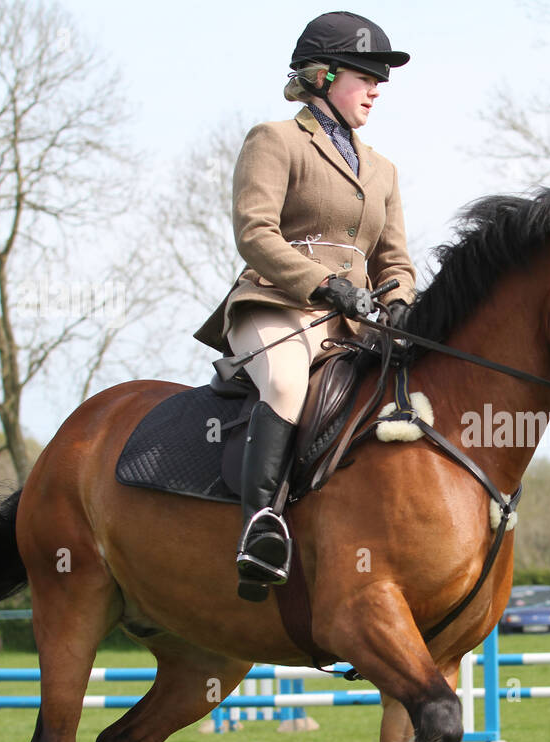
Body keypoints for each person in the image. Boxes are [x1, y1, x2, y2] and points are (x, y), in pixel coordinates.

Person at [194, 11, 416, 601]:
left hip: (351, 321)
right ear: (321, 76)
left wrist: (397, 303)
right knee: (289, 383)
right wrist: (323, 283)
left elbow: (394, 260)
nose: (377, 87)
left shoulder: (384, 169)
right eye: (365, 74)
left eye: (380, 77)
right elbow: (256, 234)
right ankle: (258, 531)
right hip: (276, 304)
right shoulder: (276, 140)